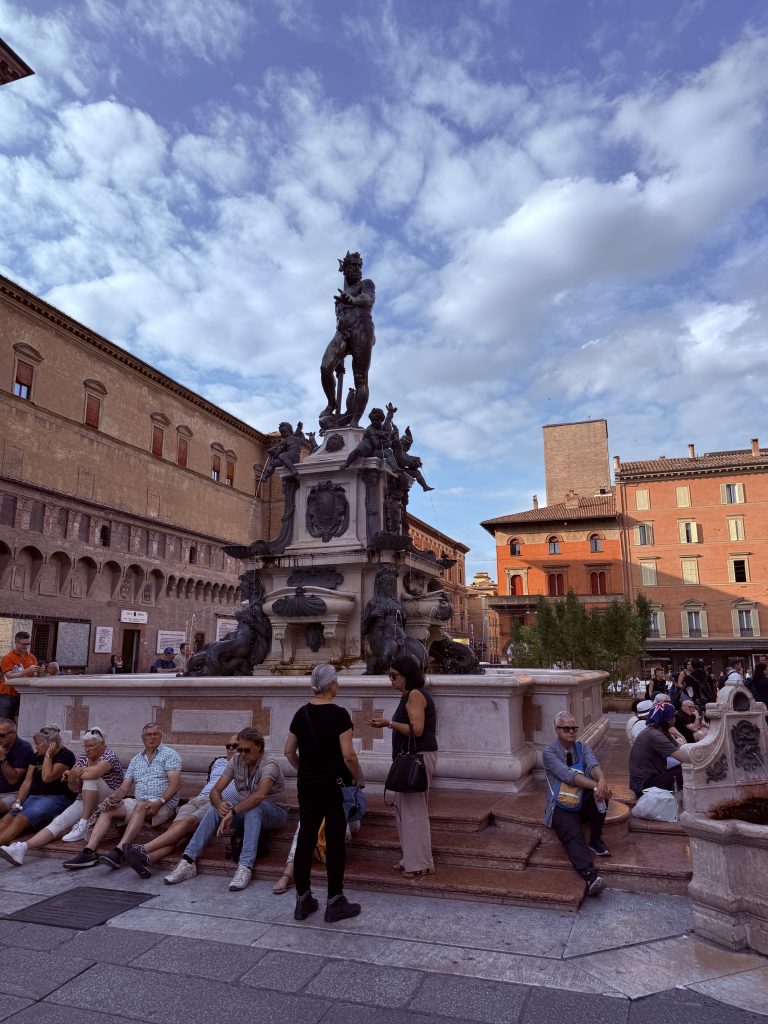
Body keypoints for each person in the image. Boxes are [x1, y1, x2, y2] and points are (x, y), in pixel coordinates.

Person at [284, 663, 364, 923]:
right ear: (330, 685)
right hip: (333, 785)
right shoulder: (339, 715)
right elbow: (348, 755)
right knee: (334, 840)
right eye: (336, 681)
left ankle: (303, 899)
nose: (338, 685)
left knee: (306, 839)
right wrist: (359, 778)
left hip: (307, 785)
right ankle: (335, 900)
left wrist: (304, 769)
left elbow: (288, 751)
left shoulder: (301, 713)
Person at [163, 727, 287, 892]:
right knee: (215, 808)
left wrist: (233, 811)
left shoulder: (269, 763)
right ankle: (188, 860)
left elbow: (260, 796)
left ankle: (245, 866)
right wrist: (220, 805)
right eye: (239, 749)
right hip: (246, 810)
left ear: (259, 746)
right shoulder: (236, 760)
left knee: (254, 807)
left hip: (275, 812)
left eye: (246, 750)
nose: (242, 754)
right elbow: (215, 791)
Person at [63, 722, 180, 870]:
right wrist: (114, 798)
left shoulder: (170, 754)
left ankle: (118, 851)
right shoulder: (137, 759)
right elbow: (124, 787)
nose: (152, 738)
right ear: (142, 738)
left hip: (163, 804)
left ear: (160, 735)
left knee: (141, 805)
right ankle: (89, 852)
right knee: (108, 808)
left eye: (155, 734)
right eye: (148, 735)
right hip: (140, 802)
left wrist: (160, 801)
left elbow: (175, 785)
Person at [0, 727, 124, 866]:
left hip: (109, 799)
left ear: (102, 744)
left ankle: (83, 823)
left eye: (91, 746)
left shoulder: (109, 755)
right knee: (58, 822)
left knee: (90, 780)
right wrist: (72, 777)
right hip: (85, 799)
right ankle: (21, 848)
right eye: (85, 746)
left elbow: (94, 774)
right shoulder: (83, 757)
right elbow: (74, 787)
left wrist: (73, 774)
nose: (87, 749)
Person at [124, 734, 240, 878]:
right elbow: (210, 784)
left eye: (235, 746)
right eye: (228, 746)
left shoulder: (246, 768)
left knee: (188, 823)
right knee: (175, 833)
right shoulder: (218, 762)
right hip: (197, 800)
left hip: (217, 804)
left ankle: (143, 848)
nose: (230, 749)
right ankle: (148, 859)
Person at [370, 655, 438, 879]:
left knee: (413, 812)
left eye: (394, 676)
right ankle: (410, 857)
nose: (391, 680)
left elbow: (416, 730)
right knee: (403, 810)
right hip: (411, 757)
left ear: (407, 676)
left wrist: (388, 723)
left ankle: (420, 864)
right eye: (389, 676)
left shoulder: (416, 695)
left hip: (417, 757)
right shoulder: (409, 696)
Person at [542, 711, 611, 898]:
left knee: (603, 795)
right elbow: (568, 776)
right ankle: (591, 877)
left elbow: (592, 765)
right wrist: (597, 786)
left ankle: (596, 839)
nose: (572, 732)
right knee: (573, 836)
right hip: (560, 805)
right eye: (566, 728)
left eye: (574, 728)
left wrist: (602, 780)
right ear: (556, 729)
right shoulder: (549, 752)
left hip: (581, 800)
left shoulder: (583, 747)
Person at [320, 250, 376, 427]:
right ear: (345, 269)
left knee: (360, 378)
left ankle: (354, 420)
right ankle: (332, 403)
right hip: (342, 332)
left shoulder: (366, 283)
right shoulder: (339, 296)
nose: (358, 269)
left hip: (362, 329)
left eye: (360, 266)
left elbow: (368, 299)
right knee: (325, 367)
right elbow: (338, 319)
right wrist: (340, 358)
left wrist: (352, 300)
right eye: (353, 265)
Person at [0, 727, 75, 848]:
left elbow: (47, 777)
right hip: (32, 798)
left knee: (20, 819)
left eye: (38, 744)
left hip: (55, 799)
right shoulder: (37, 756)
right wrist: (18, 801)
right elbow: (27, 782)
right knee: (8, 817)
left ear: (50, 744)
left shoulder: (66, 755)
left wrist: (48, 756)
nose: (36, 747)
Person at [629, 702, 685, 797]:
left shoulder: (658, 730)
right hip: (644, 785)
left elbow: (678, 750)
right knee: (685, 771)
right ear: (668, 719)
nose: (676, 718)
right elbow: (683, 758)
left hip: (650, 777)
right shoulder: (655, 735)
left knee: (682, 767)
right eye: (674, 716)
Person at [0, 718, 35, 815]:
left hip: (12, 793)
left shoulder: (24, 748)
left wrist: (2, 758)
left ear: (14, 734)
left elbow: (13, 780)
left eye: (2, 735)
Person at [0, 632, 38, 718]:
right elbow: (9, 675)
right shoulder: (7, 658)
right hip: (7, 695)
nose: (26, 646)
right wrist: (26, 671)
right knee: (4, 722)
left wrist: (39, 672)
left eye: (28, 644)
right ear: (16, 643)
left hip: (25, 694)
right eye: (24, 644)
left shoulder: (32, 657)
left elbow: (34, 675)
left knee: (21, 721)